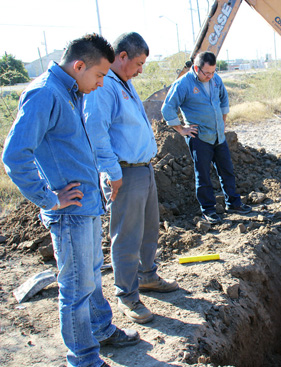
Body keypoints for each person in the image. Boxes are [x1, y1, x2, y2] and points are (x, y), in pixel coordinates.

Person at [2, 34, 139, 367]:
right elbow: (15, 155)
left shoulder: (70, 91)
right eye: (100, 75)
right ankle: (84, 360)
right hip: (69, 213)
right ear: (79, 65)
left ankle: (101, 330)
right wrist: (48, 198)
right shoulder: (44, 94)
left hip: (87, 205)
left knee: (90, 277)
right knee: (76, 290)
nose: (102, 82)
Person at [83, 32, 178, 325]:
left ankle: (147, 276)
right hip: (123, 172)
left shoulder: (125, 83)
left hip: (143, 168)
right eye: (137, 63)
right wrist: (112, 173)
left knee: (149, 229)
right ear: (121, 56)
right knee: (126, 236)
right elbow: (96, 132)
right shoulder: (104, 87)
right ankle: (127, 295)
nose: (140, 70)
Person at [161, 51, 251, 224]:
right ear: (196, 68)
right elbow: (167, 109)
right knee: (203, 175)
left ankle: (233, 203)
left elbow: (224, 100)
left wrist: (223, 122)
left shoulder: (216, 79)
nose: (210, 76)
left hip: (218, 135)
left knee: (227, 170)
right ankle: (208, 211)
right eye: (206, 73)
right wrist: (182, 130)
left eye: (213, 72)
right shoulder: (183, 84)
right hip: (199, 137)